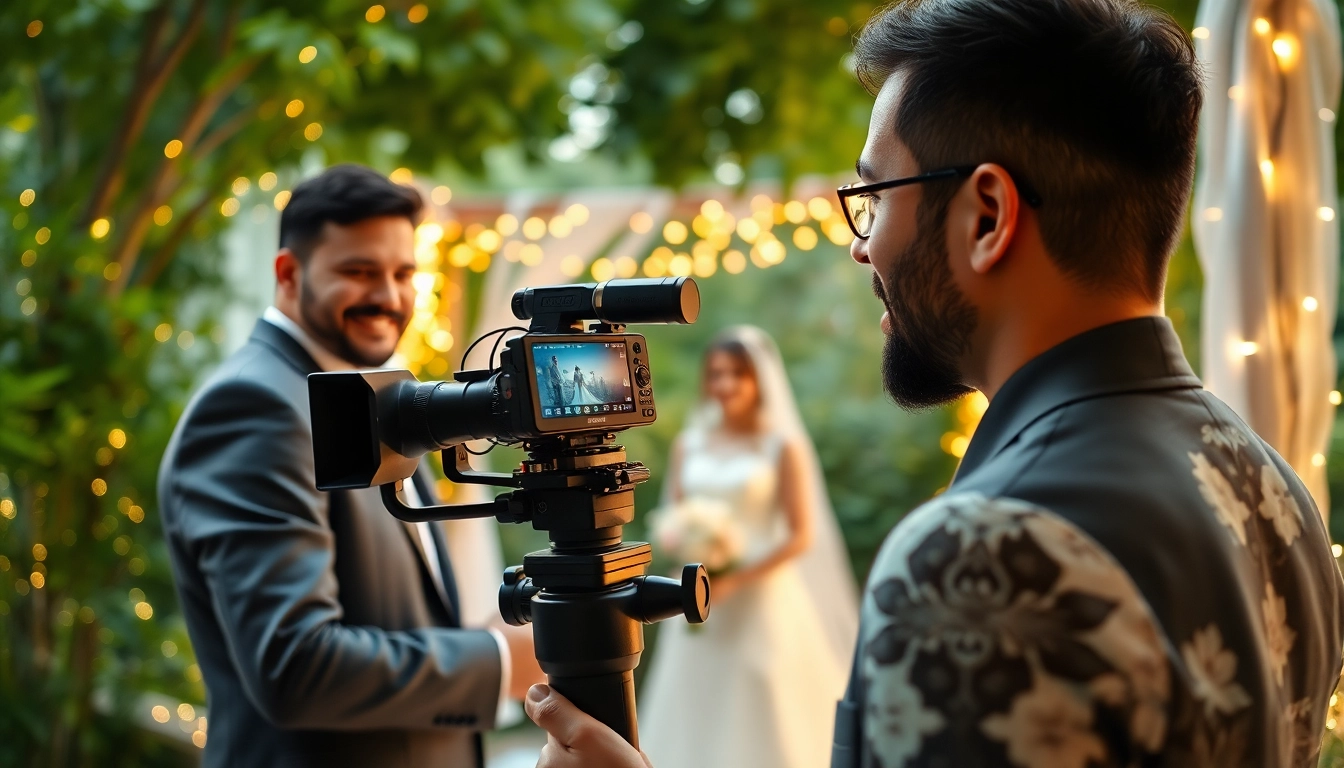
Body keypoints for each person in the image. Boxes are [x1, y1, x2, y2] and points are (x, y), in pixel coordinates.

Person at [521, 1, 1344, 766]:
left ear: (987, 217)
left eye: (874, 196)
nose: (862, 246)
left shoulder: (979, 554)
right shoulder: (1272, 487)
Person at [157, 164, 542, 768]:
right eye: (360, 272)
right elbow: (296, 664)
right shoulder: (256, 407)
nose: (388, 297)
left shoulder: (362, 393)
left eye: (402, 273)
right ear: (288, 273)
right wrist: (498, 660)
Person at [637, 326, 858, 768]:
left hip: (763, 600)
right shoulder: (689, 444)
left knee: (766, 702)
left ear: (759, 379)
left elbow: (800, 535)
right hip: (698, 599)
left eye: (737, 373)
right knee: (695, 703)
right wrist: (688, 549)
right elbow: (674, 518)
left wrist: (735, 578)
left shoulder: (782, 446)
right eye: (716, 373)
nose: (725, 384)